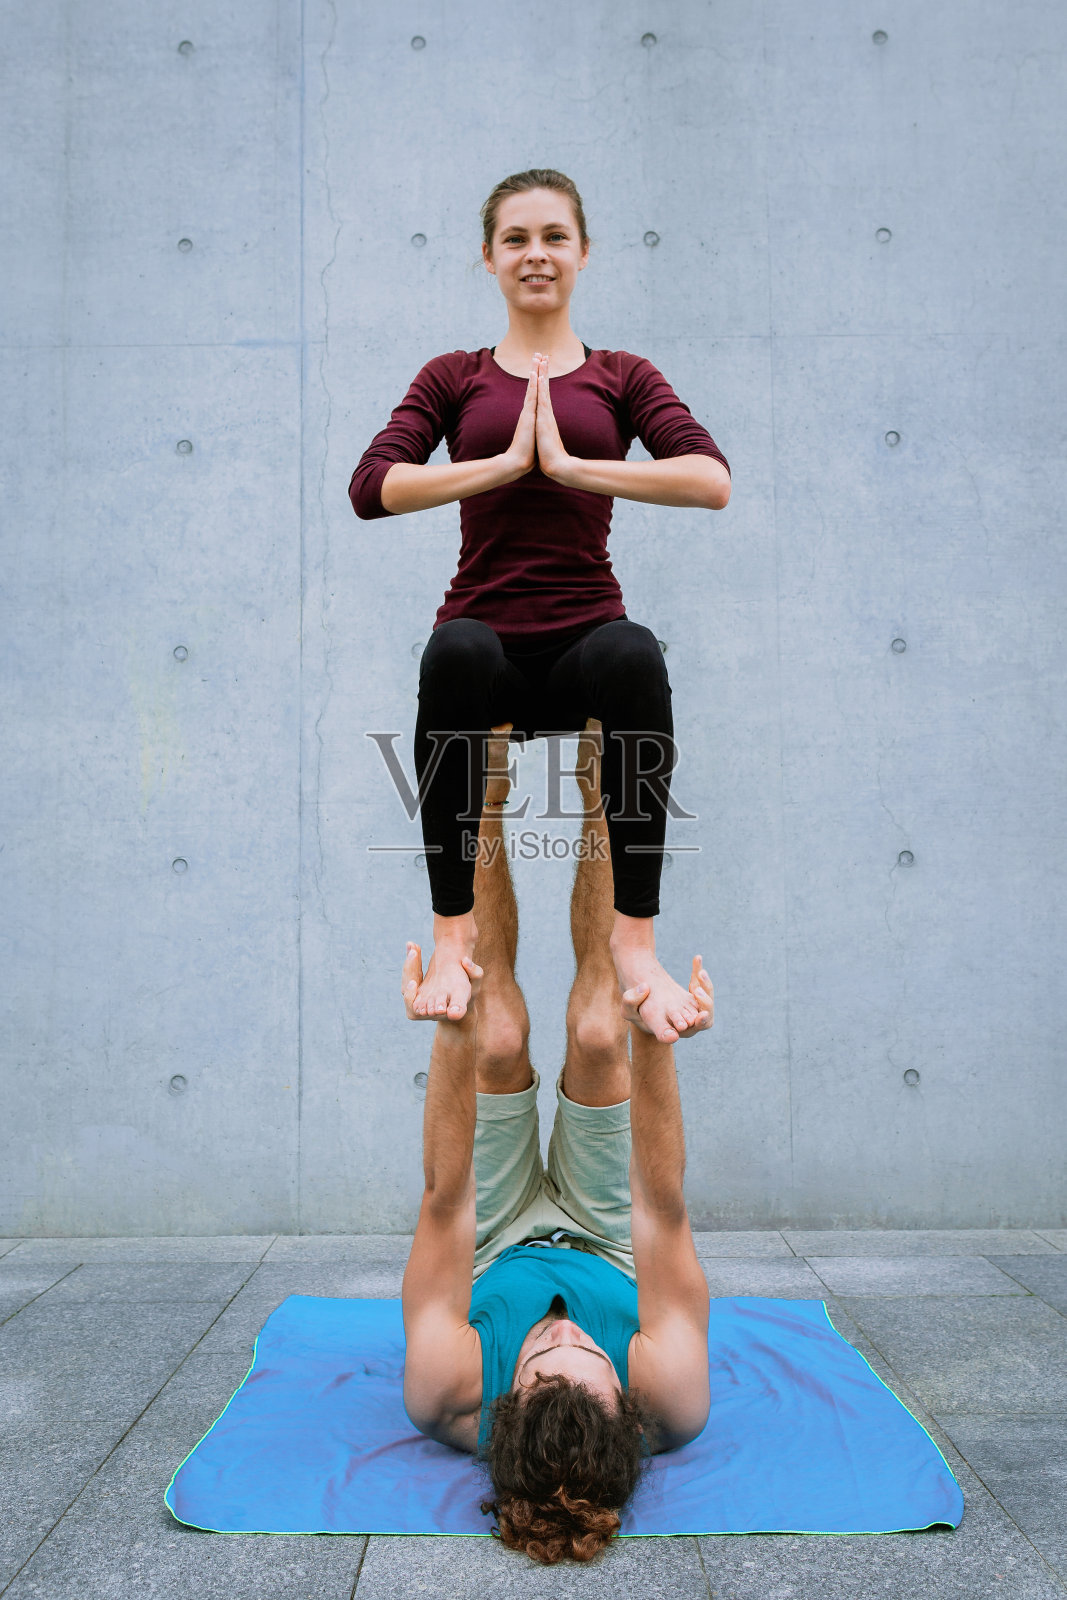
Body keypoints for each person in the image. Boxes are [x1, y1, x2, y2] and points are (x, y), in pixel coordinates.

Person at [350, 167, 731, 1046]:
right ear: (487, 258)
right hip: (485, 651)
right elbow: (370, 486)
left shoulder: (622, 374)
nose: (536, 255)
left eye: (553, 237)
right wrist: (498, 465)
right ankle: (454, 938)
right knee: (452, 653)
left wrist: (571, 468)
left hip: (580, 643)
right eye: (515, 239)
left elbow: (710, 480)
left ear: (583, 253)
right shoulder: (453, 376)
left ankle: (634, 946)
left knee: (634, 653)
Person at [400, 722, 713, 1565]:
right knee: (598, 1031)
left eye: (542, 1361)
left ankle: (487, 787)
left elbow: (445, 1199)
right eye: (591, 1360)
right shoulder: (671, 1397)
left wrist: (451, 1027)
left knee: (497, 1031)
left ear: (502, 1405)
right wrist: (653, 1035)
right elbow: (661, 1207)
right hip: (611, 1245)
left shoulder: (445, 1387)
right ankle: (599, 786)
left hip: (493, 1241)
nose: (565, 1337)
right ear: (626, 1408)